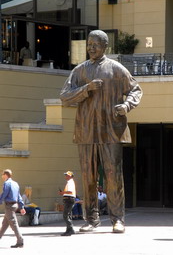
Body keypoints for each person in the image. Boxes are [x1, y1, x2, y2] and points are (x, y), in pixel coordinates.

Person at [60, 30, 143, 233]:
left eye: (95, 44)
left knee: (113, 174)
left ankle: (118, 219)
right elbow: (65, 97)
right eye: (89, 44)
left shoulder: (116, 69)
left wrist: (127, 105)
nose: (91, 48)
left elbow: (136, 89)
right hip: (86, 130)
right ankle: (91, 219)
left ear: (105, 46)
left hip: (111, 130)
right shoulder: (79, 71)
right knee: (88, 176)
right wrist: (86, 89)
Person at [0, 169, 26, 248]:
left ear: (5, 175)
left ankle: (20, 241)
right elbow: (19, 196)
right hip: (15, 205)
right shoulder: (15, 183)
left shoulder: (7, 183)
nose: (1, 176)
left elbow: (4, 194)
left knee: (14, 224)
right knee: (5, 224)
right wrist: (21, 207)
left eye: (2, 174)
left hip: (9, 206)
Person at [58, 171, 76, 236]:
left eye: (67, 175)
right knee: (68, 215)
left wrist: (62, 193)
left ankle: (70, 230)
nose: (65, 176)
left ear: (70, 176)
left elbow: (70, 192)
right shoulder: (70, 182)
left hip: (69, 199)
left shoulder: (70, 182)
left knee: (65, 215)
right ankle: (69, 230)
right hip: (69, 199)